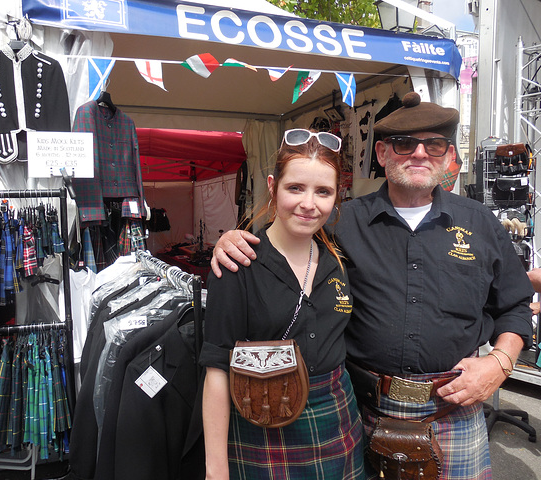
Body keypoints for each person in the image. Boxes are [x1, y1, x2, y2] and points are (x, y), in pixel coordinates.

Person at [211, 92, 534, 480]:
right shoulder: (339, 223)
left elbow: (514, 306)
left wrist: (499, 364)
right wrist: (233, 238)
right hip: (362, 410)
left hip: (453, 408)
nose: (419, 154)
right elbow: (288, 233)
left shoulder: (481, 224)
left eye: (434, 145)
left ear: (449, 156)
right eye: (404, 144)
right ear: (381, 153)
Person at [199, 129, 366, 480]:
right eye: (296, 188)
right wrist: (216, 470)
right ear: (273, 187)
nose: (309, 204)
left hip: (337, 422)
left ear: (337, 197)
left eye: (323, 191)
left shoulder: (339, 258)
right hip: (262, 423)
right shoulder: (236, 264)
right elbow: (216, 370)